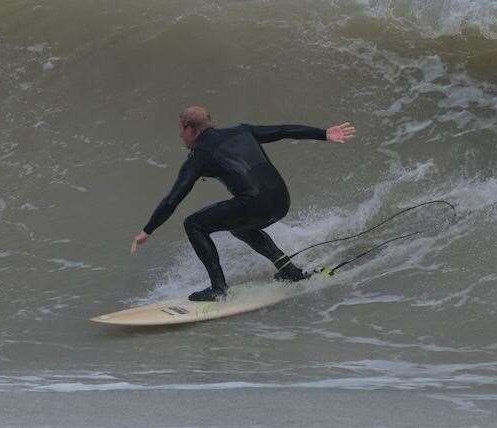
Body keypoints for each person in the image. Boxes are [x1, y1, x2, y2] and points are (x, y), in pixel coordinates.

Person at [130, 106, 356, 301]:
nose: (180, 136)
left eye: (181, 130)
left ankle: (218, 289)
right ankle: (290, 271)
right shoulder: (241, 131)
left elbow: (173, 199)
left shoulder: (199, 156)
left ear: (191, 129)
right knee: (239, 226)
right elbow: (283, 130)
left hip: (256, 204)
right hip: (280, 200)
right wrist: (324, 133)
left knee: (194, 224)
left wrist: (147, 230)